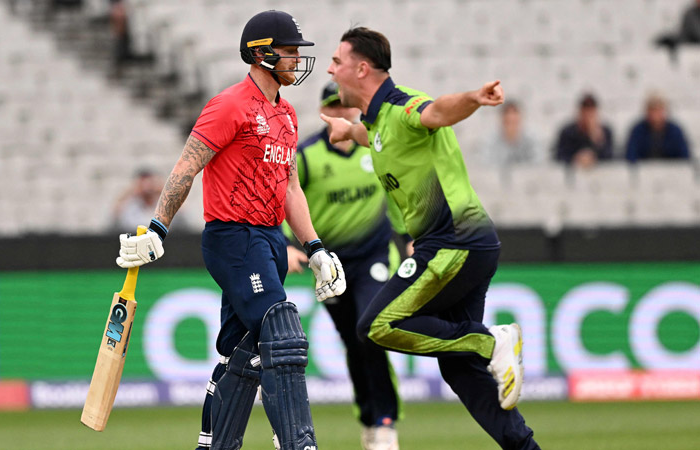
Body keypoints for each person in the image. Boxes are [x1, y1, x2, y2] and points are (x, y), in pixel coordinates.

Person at [114, 11, 346, 450]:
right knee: (284, 333)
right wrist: (158, 229)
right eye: (289, 49)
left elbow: (290, 185)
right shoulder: (230, 104)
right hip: (233, 238)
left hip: (271, 241)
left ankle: (215, 445)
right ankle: (299, 443)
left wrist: (315, 248)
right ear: (262, 52)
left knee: (243, 353)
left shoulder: (288, 115)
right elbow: (188, 164)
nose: (297, 58)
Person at [321, 27, 539, 449]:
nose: (330, 69)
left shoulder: (403, 106)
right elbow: (381, 140)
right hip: (466, 245)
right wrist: (348, 132)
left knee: (376, 325)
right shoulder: (378, 123)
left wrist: (474, 98)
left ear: (361, 69)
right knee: (458, 370)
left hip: (454, 243)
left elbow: (437, 111)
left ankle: (492, 342)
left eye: (337, 61)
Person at [286, 81, 402, 450]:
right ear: (323, 112)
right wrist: (287, 245)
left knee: (370, 328)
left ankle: (385, 421)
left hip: (375, 255)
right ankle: (369, 418)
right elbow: (280, 200)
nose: (341, 113)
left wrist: (413, 234)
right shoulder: (306, 157)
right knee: (353, 342)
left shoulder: (375, 148)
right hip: (329, 263)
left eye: (346, 106)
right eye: (333, 108)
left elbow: (401, 191)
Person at [625, 92, 691, 162]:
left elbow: (685, 157)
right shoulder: (637, 130)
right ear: (647, 111)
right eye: (652, 110)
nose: (655, 115)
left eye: (659, 110)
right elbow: (630, 155)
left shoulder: (675, 131)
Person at [476, 100, 543, 167]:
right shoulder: (491, 141)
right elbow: (486, 164)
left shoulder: (532, 139)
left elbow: (538, 163)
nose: (511, 117)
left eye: (514, 113)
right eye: (507, 113)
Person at [555, 93, 613, 168]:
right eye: (585, 110)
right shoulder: (568, 132)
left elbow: (610, 158)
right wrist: (576, 158)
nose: (588, 115)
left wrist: (597, 140)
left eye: (591, 111)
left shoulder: (606, 132)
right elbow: (559, 157)